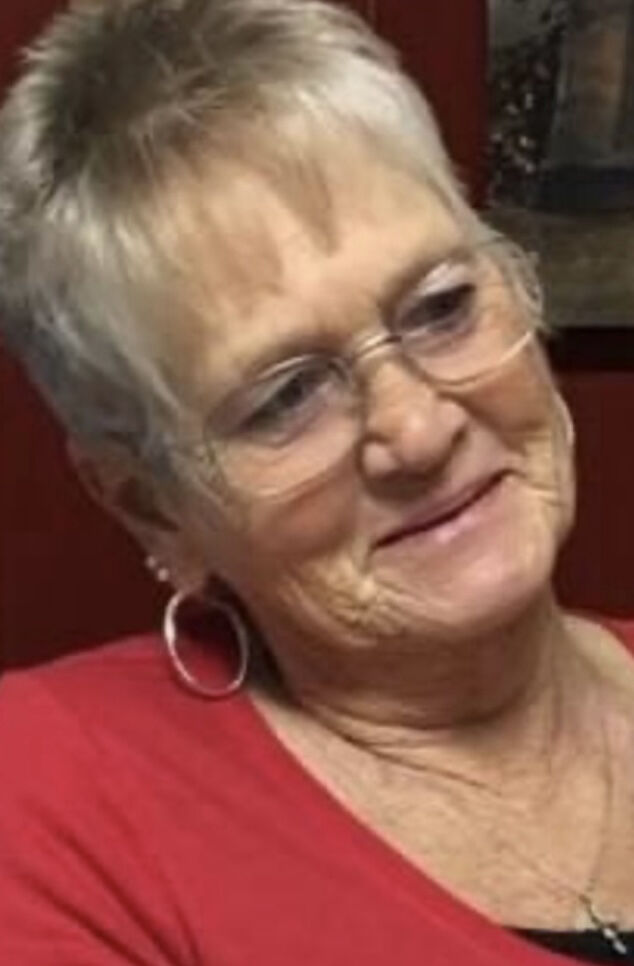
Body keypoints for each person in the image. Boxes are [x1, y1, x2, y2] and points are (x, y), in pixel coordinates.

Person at [0, 1, 633, 963]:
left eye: (442, 307)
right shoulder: (51, 803)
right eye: (287, 397)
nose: (417, 431)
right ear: (153, 505)